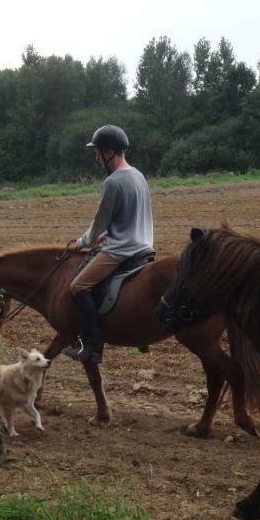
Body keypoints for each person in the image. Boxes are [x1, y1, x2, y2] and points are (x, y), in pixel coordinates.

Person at [62, 124, 155, 364]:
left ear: (109, 152)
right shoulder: (138, 175)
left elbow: (98, 224)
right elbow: (128, 216)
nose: (96, 157)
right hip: (144, 245)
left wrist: (83, 242)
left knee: (78, 286)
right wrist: (111, 234)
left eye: (98, 152)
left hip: (122, 250)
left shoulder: (113, 182)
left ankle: (92, 347)